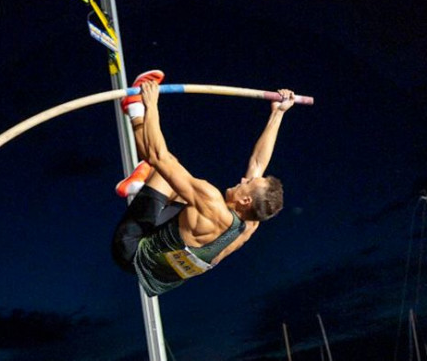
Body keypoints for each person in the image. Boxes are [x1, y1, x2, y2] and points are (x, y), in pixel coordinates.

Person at [111, 70, 295, 296]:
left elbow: (159, 156)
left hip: (130, 249)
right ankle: (143, 177)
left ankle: (134, 110)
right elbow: (258, 163)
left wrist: (150, 105)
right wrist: (278, 113)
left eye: (247, 183)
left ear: (246, 200)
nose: (243, 179)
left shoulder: (211, 201)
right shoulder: (250, 224)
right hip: (156, 271)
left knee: (165, 168)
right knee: (178, 185)